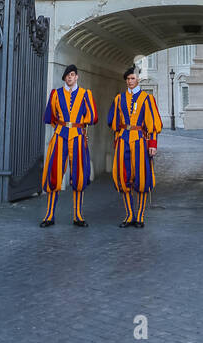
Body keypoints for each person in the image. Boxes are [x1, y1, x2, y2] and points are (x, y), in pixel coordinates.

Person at [40, 65, 98, 227]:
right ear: (64, 78)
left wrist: (79, 126)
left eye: (72, 75)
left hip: (78, 137)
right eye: (67, 76)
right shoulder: (56, 94)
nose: (70, 78)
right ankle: (49, 215)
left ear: (77, 77)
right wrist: (61, 127)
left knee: (79, 175)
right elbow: (50, 116)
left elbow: (92, 116)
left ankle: (78, 215)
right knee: (54, 174)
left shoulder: (86, 94)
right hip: (60, 136)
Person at [107, 66, 163, 228]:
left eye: (132, 78)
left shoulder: (147, 99)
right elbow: (113, 121)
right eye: (128, 79)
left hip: (140, 141)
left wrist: (152, 144)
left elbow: (153, 124)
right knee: (123, 178)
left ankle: (140, 216)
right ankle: (129, 215)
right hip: (123, 141)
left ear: (138, 79)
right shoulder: (119, 99)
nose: (130, 81)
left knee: (142, 178)